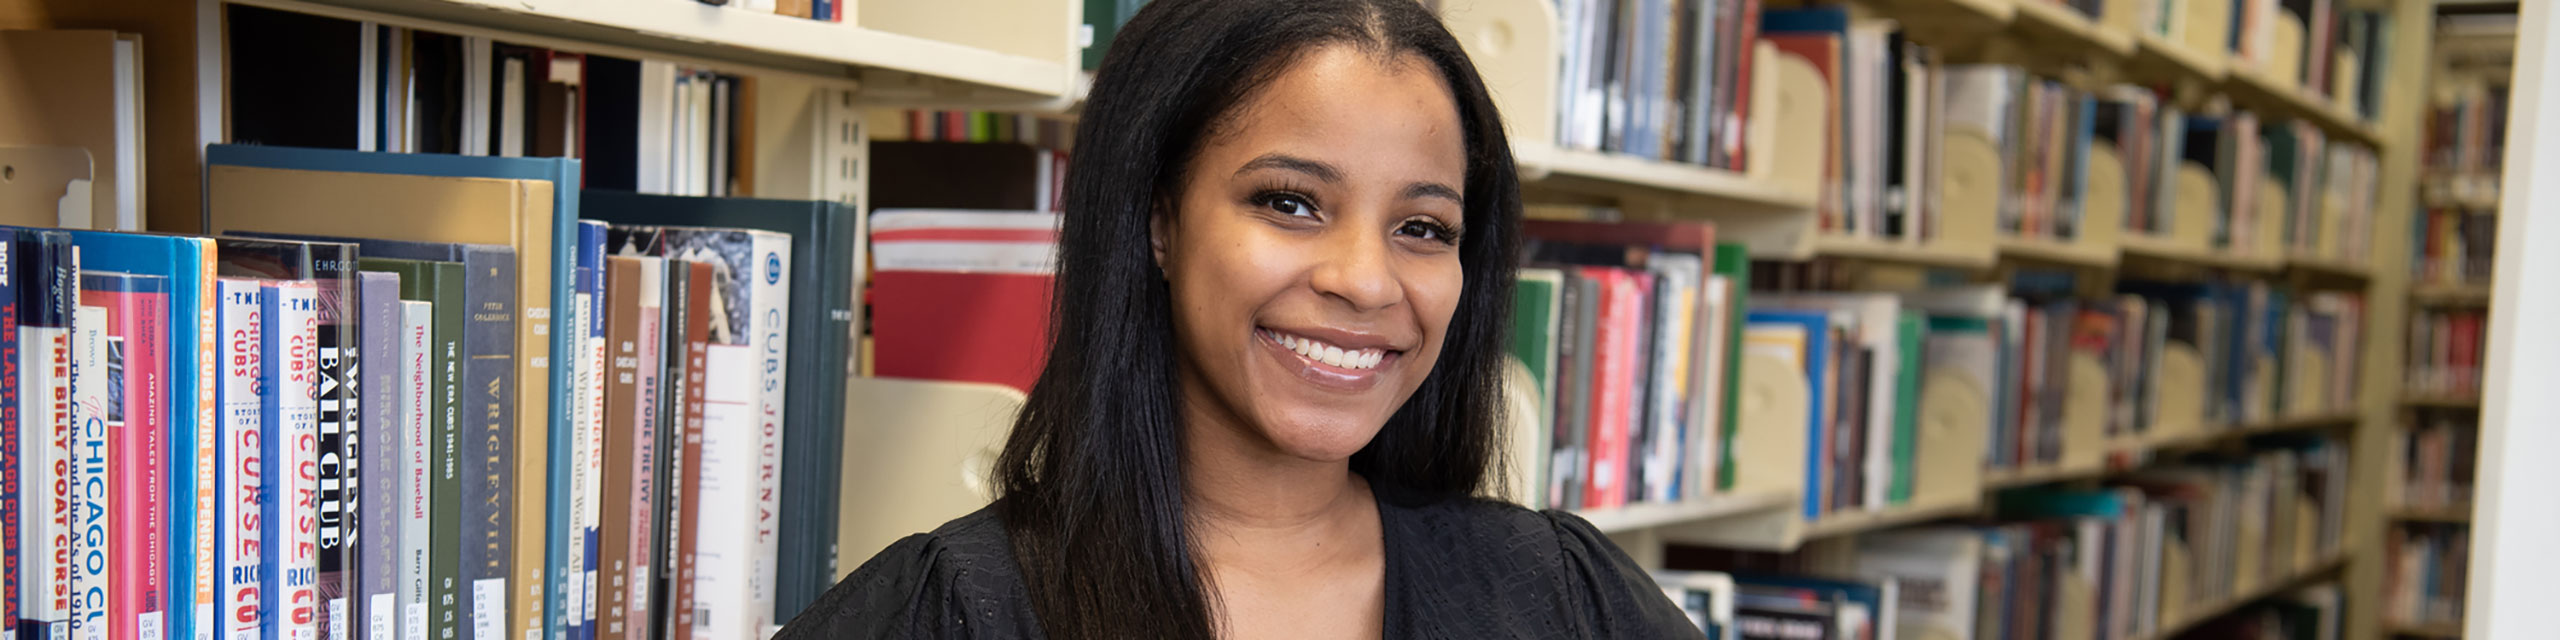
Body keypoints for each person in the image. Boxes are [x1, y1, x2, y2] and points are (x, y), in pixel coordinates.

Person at [781, 0, 1701, 637]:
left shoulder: (1562, 595)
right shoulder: (953, 610)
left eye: (1423, 227)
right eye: (1290, 203)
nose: (1366, 281)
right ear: (1160, 221)